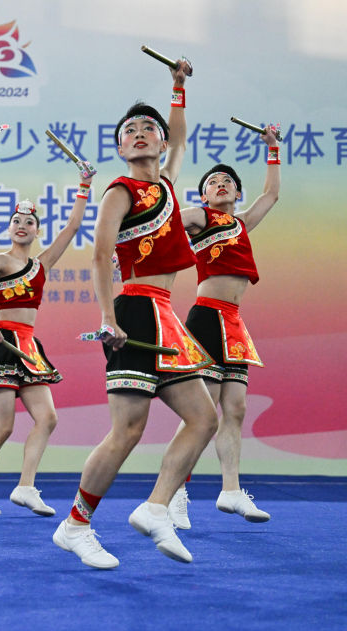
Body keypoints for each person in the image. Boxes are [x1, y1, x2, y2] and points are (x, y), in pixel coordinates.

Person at [52, 58, 219, 569]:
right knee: (127, 430)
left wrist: (177, 88)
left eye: (149, 128)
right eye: (129, 131)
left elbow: (182, 138)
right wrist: (108, 318)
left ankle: (156, 507)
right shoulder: (120, 192)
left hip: (165, 315)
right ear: (121, 149)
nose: (140, 133)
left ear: (161, 143)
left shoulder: (165, 186)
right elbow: (100, 255)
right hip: (134, 311)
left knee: (204, 419)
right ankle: (75, 526)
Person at [0, 163, 95, 516]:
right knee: (3, 427)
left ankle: (25, 487)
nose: (22, 226)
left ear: (37, 231)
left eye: (29, 222)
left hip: (28, 345)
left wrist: (84, 185)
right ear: (9, 229)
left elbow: (72, 227)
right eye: (16, 221)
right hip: (0, 343)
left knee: (47, 418)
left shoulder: (42, 264)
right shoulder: (0, 260)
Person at [166, 126, 281, 529]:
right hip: (206, 318)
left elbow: (271, 195)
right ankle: (174, 491)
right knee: (204, 411)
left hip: (233, 322)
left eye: (227, 181)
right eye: (212, 182)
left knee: (236, 409)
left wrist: (273, 149)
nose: (220, 184)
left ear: (236, 193)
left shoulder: (242, 223)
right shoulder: (201, 217)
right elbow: (168, 223)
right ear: (204, 195)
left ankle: (230, 490)